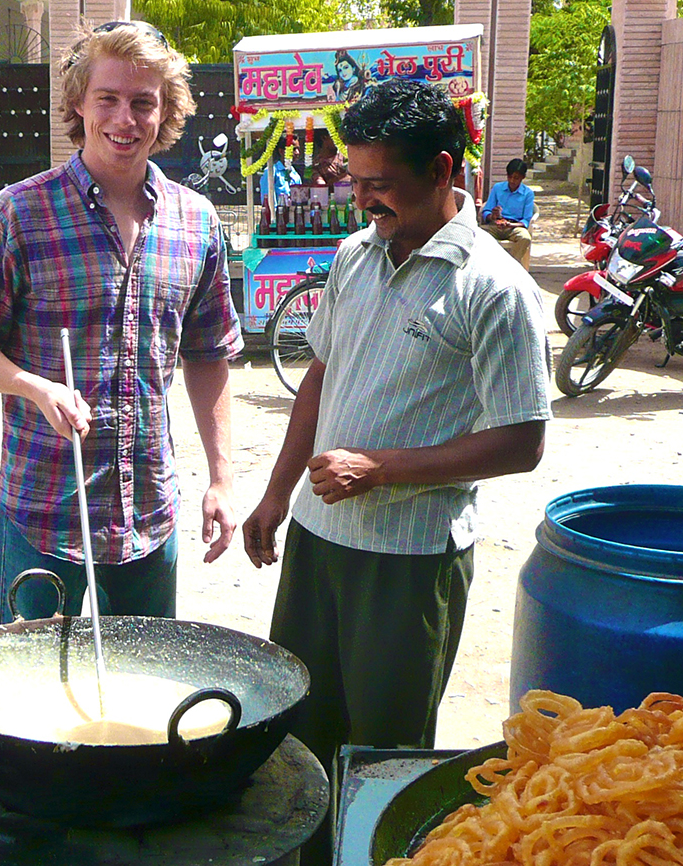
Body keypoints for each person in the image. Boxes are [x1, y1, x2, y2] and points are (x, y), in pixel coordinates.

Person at [242, 79, 551, 866]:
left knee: (383, 758)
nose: (362, 199)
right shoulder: (355, 256)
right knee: (302, 736)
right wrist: (275, 495)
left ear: (443, 168)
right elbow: (319, 376)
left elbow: (521, 441)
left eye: (380, 184)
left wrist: (381, 469)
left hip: (410, 565)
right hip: (318, 543)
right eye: (354, 179)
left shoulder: (495, 289)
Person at [0, 20, 242, 626]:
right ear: (79, 101)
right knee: (31, 700)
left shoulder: (197, 221)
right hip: (42, 513)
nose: (124, 119)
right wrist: (35, 386)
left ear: (167, 110)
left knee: (144, 696)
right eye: (107, 98)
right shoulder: (17, 215)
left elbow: (210, 352)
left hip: (149, 517)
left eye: (143, 102)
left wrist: (221, 477)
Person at [481, 157, 534, 269]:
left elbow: (526, 220)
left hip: (514, 227)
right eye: (510, 177)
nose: (512, 181)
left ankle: (509, 267)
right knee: (477, 234)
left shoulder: (528, 194)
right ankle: (485, 267)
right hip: (496, 225)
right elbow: (486, 212)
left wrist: (510, 225)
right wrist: (493, 216)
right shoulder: (497, 188)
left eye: (516, 178)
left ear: (522, 178)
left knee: (525, 238)